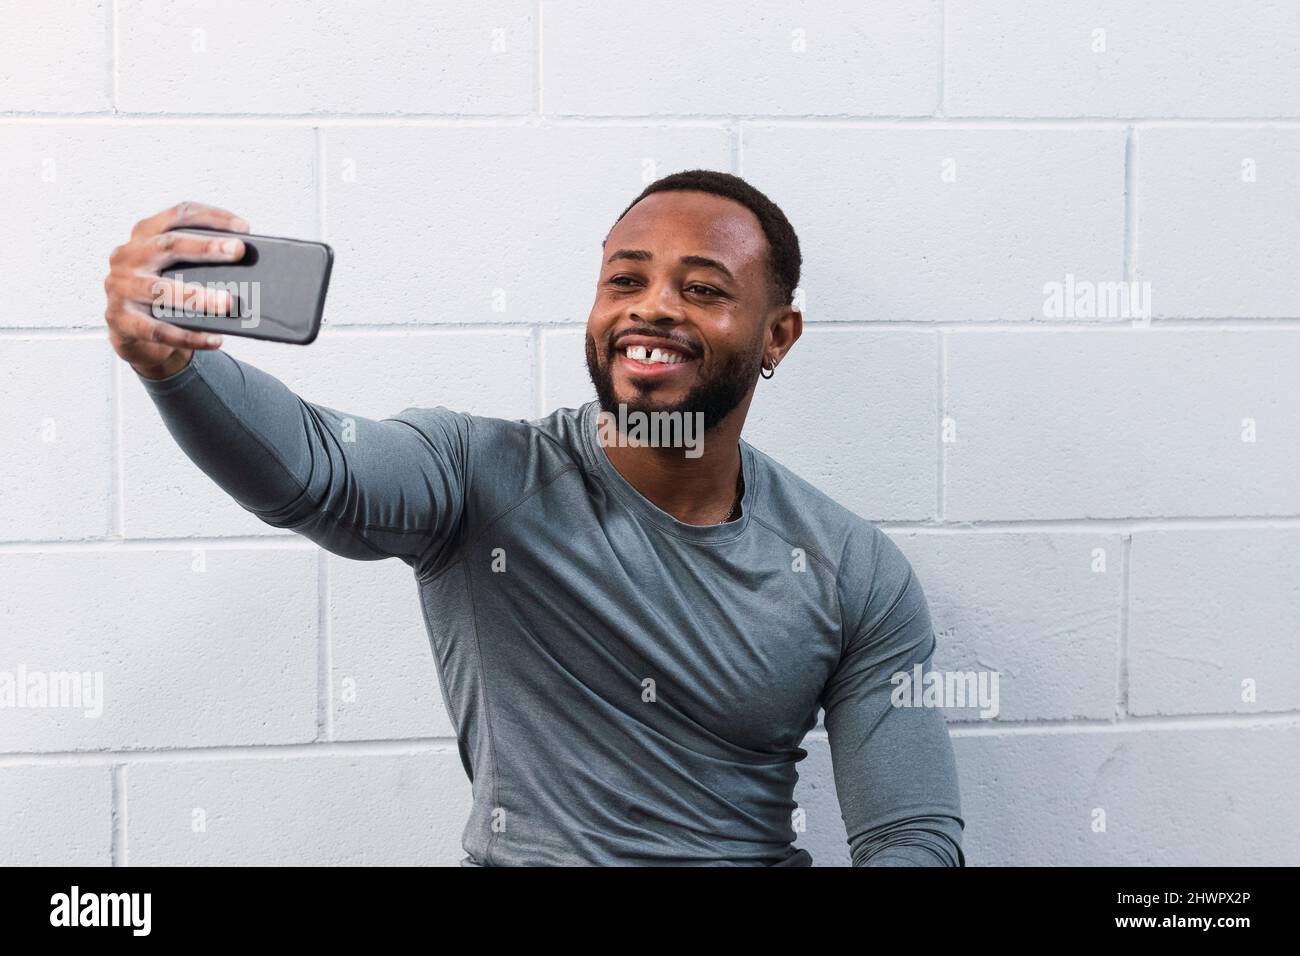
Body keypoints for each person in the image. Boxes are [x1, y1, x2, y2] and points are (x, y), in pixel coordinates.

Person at [101, 170, 965, 866]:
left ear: (778, 336)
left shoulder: (853, 568)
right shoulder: (480, 476)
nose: (652, 305)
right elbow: (318, 472)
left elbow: (909, 836)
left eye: (701, 289)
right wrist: (174, 368)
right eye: (625, 279)